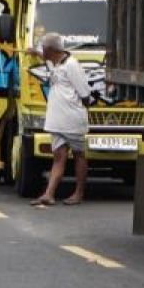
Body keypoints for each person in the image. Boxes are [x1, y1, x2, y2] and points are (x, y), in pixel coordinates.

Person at [30, 33, 94, 207]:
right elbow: (45, 58)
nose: (43, 51)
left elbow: (85, 94)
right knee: (59, 157)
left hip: (72, 120)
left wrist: (80, 110)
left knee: (79, 155)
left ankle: (79, 193)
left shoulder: (72, 65)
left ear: (51, 49)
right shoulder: (55, 62)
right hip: (57, 121)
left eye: (44, 48)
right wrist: (34, 52)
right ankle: (49, 194)